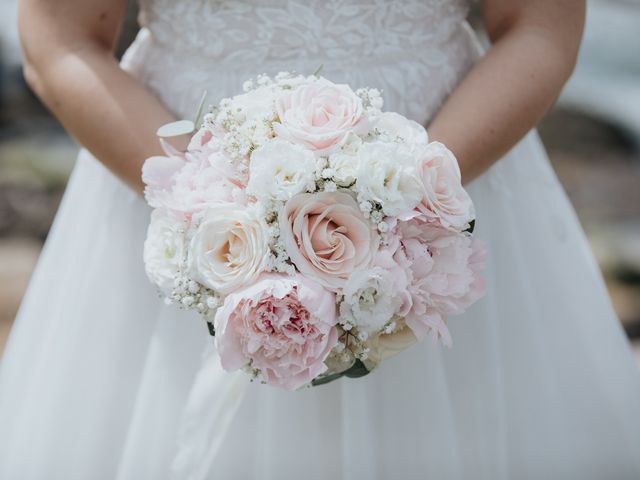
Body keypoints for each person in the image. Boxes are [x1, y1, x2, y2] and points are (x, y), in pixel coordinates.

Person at [2, 0, 640, 478]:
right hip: (172, 173)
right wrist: (217, 203)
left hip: (444, 171)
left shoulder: (422, 192)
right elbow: (58, 44)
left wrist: (402, 203)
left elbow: (542, 28)